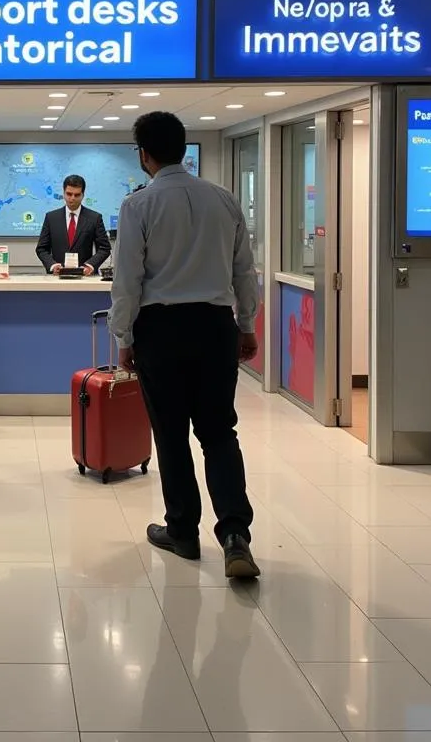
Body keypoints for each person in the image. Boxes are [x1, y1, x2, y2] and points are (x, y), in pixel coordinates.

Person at [108, 112, 261, 579]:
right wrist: (247, 324)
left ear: (144, 154)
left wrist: (124, 337)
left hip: (161, 330)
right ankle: (235, 535)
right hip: (216, 327)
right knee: (219, 432)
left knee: (170, 434)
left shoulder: (138, 206)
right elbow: (244, 272)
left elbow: (127, 281)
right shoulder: (224, 200)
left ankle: (183, 532)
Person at [35, 174, 111, 275]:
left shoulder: (94, 218)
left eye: (77, 195)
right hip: (57, 277)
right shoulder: (51, 218)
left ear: (83, 195)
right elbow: (41, 248)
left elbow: (104, 248)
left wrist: (90, 265)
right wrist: (52, 265)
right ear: (64, 193)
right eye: (69, 194)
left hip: (84, 277)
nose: (72, 198)